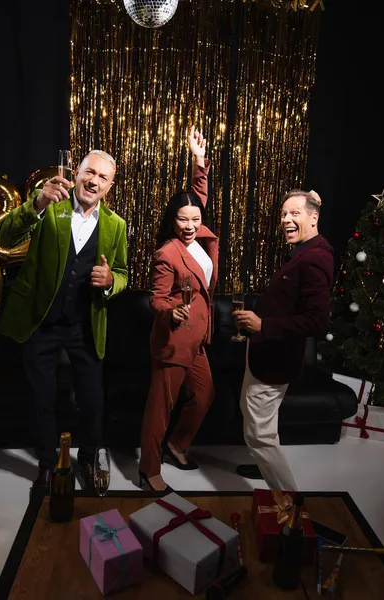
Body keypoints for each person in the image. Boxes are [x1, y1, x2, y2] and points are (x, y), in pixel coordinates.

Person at [0, 150, 128, 493]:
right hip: (41, 320)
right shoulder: (49, 206)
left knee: (92, 401)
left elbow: (124, 273)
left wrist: (111, 281)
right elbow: (4, 238)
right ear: (77, 173)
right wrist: (36, 203)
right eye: (89, 172)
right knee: (41, 399)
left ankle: (87, 457)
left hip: (84, 324)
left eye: (102, 177)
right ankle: (45, 464)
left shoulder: (116, 225)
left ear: (109, 186)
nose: (93, 180)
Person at [233, 189, 333, 503]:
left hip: (275, 361)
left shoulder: (316, 257)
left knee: (259, 437)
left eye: (295, 214)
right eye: (284, 214)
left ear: (314, 218)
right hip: (263, 355)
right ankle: (266, 466)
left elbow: (317, 322)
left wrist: (263, 325)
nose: (286, 220)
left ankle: (290, 504)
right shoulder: (305, 248)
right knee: (256, 424)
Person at [139, 125, 218, 492]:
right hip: (173, 340)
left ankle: (177, 445)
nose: (189, 225)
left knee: (204, 395)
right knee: (160, 408)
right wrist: (170, 311)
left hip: (198, 339)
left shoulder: (201, 234)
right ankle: (149, 469)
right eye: (182, 219)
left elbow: (197, 195)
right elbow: (155, 298)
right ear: (172, 220)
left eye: (194, 219)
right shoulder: (166, 253)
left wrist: (198, 161)